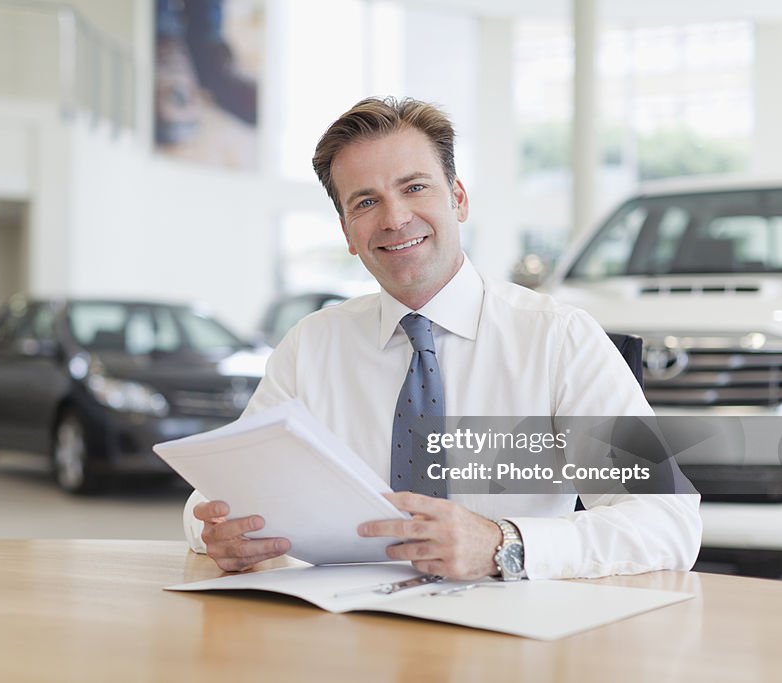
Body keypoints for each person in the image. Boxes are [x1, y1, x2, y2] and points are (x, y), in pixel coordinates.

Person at [183, 96, 701, 580]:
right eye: (366, 202)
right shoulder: (311, 346)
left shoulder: (558, 340)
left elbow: (669, 520)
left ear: (457, 198)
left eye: (414, 187)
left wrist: (504, 545)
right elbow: (215, 494)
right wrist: (217, 533)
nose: (395, 218)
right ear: (346, 230)